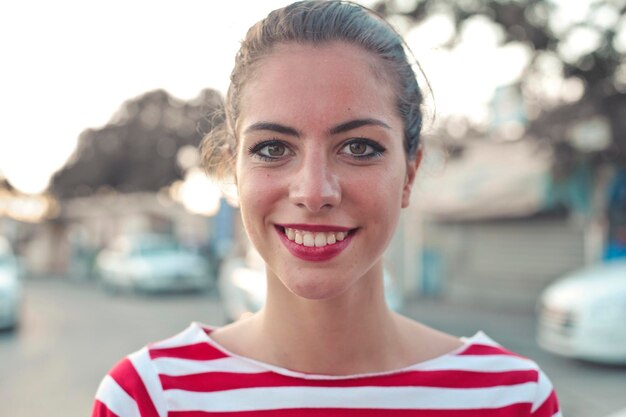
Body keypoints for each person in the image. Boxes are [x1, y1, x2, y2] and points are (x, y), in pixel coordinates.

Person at [92, 1, 561, 416]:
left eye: (358, 146)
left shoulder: (510, 399)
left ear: (410, 174)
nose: (314, 192)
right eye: (273, 148)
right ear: (234, 172)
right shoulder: (150, 398)